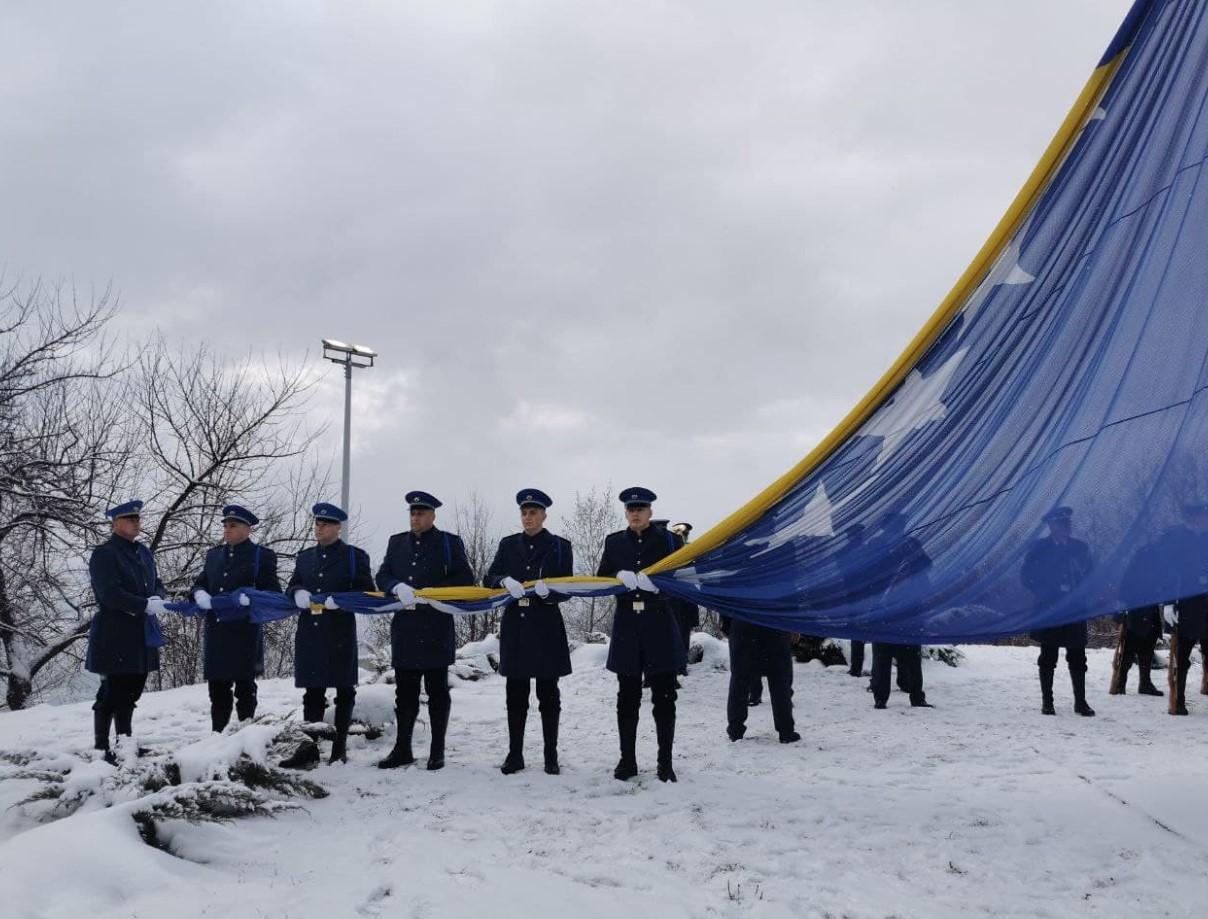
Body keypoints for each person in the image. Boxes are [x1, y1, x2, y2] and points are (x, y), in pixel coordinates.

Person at [376, 491, 474, 770]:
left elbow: (464, 577)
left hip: (435, 626)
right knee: (405, 693)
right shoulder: (397, 543)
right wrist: (396, 586)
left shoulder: (448, 543)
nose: (415, 517)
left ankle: (437, 750)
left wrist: (432, 593)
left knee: (437, 692)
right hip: (405, 627)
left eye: (421, 513)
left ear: (433, 515)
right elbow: (382, 575)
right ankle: (402, 748)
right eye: (412, 513)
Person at [597, 487, 686, 782]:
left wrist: (659, 585)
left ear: (650, 512)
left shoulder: (670, 541)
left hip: (658, 621)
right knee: (627, 697)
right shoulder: (614, 543)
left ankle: (665, 763)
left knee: (664, 697)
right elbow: (601, 578)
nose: (635, 513)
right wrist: (616, 576)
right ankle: (627, 760)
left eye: (641, 508)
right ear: (626, 513)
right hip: (627, 626)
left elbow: (682, 576)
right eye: (631, 509)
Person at [485, 489, 574, 775]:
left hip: (545, 625)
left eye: (533, 513)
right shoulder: (508, 544)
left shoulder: (560, 546)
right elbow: (489, 577)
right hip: (517, 627)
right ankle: (515, 754)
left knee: (549, 695)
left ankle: (551, 754)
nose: (528, 517)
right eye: (524, 513)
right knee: (516, 695)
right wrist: (503, 580)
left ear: (544, 515)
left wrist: (551, 594)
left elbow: (568, 588)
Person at [280, 503, 375, 768]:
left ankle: (340, 746)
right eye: (317, 524)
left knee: (344, 689)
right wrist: (297, 591)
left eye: (324, 524)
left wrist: (341, 600)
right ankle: (310, 747)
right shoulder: (305, 557)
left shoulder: (355, 557)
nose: (318, 528)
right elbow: (293, 584)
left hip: (339, 629)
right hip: (310, 630)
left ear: (337, 528)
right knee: (313, 692)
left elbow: (367, 591)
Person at [86, 500, 167, 763]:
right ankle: (101, 747)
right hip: (115, 633)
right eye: (130, 519)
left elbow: (157, 582)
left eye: (137, 519)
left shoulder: (143, 552)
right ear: (116, 523)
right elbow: (109, 594)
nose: (136, 523)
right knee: (111, 692)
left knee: (132, 691)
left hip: (141, 633)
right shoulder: (105, 554)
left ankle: (125, 743)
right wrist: (144, 605)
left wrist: (157, 598)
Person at [191, 505, 282, 732]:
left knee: (245, 689)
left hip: (244, 633)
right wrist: (198, 592)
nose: (227, 530)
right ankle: (217, 736)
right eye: (225, 526)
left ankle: (245, 735)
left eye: (233, 526)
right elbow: (201, 582)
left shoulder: (262, 556)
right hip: (217, 631)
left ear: (247, 529)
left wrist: (250, 598)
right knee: (218, 691)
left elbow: (273, 592)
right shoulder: (213, 556)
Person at [1021, 506, 1094, 716]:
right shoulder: (1039, 548)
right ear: (1051, 527)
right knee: (1048, 655)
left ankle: (1080, 702)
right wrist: (1045, 591)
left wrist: (1080, 591)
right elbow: (1026, 576)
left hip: (1074, 609)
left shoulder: (1080, 548)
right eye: (1060, 524)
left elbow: (1090, 573)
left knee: (1078, 655)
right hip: (1049, 608)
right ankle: (1047, 702)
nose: (1065, 528)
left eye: (1067, 524)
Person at [866, 512, 933, 710]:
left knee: (912, 655)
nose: (899, 528)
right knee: (882, 656)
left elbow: (926, 564)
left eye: (901, 525)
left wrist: (910, 573)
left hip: (909, 608)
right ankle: (880, 697)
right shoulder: (876, 545)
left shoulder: (911, 543)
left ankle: (916, 695)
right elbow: (868, 573)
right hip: (883, 607)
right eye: (895, 525)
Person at [1157, 502, 1208, 716]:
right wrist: (1169, 602)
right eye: (1200, 517)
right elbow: (1168, 574)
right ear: (1191, 519)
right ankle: (1178, 698)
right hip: (1186, 603)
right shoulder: (1176, 541)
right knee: (1183, 653)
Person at [720, 613, 800, 743]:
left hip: (743, 622)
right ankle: (786, 730)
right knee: (779, 679)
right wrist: (794, 624)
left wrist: (727, 624)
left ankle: (735, 729)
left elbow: (728, 596)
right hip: (775, 623)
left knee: (740, 679)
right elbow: (790, 596)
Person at [1109, 539, 1163, 697]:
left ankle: (1145, 683)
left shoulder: (1156, 566)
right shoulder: (1136, 568)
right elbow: (1124, 590)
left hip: (1150, 610)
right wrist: (1121, 611)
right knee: (1129, 649)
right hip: (1136, 610)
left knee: (1147, 648)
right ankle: (1121, 682)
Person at [834, 524, 869, 677]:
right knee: (858, 632)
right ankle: (856, 667)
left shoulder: (865, 551)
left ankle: (857, 668)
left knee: (858, 632)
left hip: (864, 595)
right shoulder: (857, 551)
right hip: (857, 595)